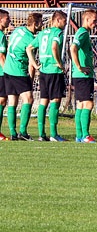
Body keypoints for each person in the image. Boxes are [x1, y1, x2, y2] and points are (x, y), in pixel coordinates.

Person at [30, 11, 67, 141]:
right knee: (55, 101)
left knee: (43, 101)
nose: (65, 23)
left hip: (43, 71)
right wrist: (59, 63)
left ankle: (41, 134)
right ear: (57, 20)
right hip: (54, 71)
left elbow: (29, 48)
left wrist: (35, 64)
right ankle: (54, 134)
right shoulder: (57, 33)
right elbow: (54, 47)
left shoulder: (42, 33)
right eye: (64, 21)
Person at [4, 12, 41, 140]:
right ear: (36, 24)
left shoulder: (19, 30)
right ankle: (23, 132)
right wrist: (30, 80)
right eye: (41, 22)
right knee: (29, 99)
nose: (42, 25)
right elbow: (31, 63)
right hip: (18, 71)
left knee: (12, 101)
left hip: (7, 68)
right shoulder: (31, 40)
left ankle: (13, 133)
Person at [70, 9, 97, 143]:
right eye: (94, 20)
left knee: (82, 104)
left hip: (80, 75)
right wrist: (79, 66)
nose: (96, 23)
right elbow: (73, 48)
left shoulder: (83, 33)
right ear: (87, 20)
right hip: (83, 75)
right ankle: (85, 135)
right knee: (88, 104)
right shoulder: (82, 32)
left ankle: (80, 135)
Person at [0, 9, 10, 141]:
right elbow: (1, 56)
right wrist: (8, 72)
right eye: (7, 18)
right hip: (1, 72)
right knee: (2, 100)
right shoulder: (1, 36)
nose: (9, 21)